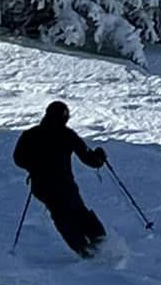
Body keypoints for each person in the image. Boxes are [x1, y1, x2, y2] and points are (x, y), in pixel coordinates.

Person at [13, 100, 109, 258]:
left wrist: (34, 165)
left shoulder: (31, 134)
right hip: (64, 185)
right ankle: (100, 243)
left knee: (61, 216)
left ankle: (82, 249)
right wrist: (100, 157)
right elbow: (89, 159)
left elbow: (18, 158)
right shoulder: (67, 134)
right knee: (78, 211)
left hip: (41, 186)